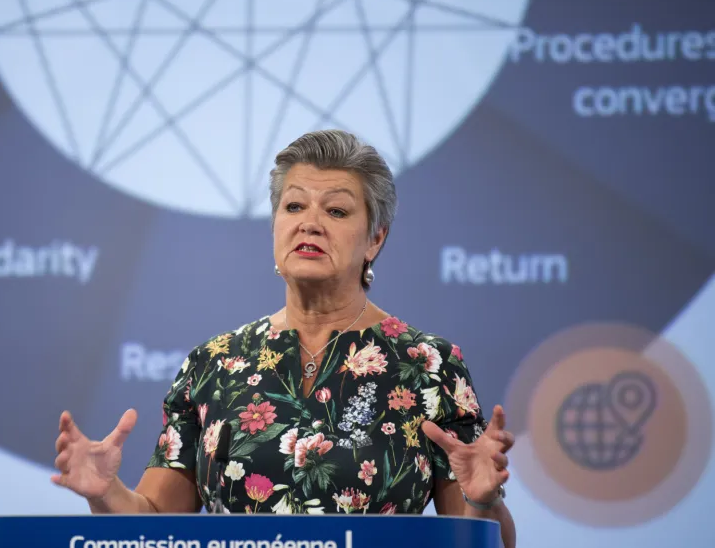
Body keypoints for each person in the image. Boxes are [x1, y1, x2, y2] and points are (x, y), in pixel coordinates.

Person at [52, 129, 516, 547]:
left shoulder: (429, 364)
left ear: (375, 239)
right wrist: (106, 493)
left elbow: (485, 542)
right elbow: (156, 527)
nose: (309, 223)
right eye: (294, 206)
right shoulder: (214, 364)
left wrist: (481, 502)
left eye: (335, 210)